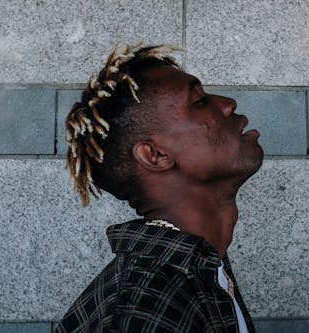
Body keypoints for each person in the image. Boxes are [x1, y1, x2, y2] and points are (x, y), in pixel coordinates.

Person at [55, 43, 264, 333]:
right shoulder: (143, 307)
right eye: (199, 101)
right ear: (156, 155)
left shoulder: (199, 263)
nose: (228, 103)